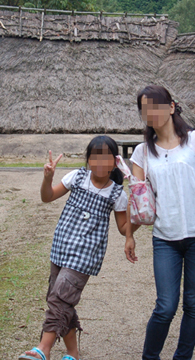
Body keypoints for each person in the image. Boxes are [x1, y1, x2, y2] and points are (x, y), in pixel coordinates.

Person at [125, 85, 195, 360]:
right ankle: (150, 357)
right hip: (165, 238)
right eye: (145, 109)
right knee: (165, 306)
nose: (151, 113)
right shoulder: (141, 153)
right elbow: (138, 200)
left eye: (156, 106)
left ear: (171, 106)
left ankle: (182, 357)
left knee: (193, 304)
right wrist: (129, 235)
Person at [19, 136, 130, 360]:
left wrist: (139, 215)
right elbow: (47, 197)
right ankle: (72, 353)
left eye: (105, 156)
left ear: (115, 162)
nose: (99, 161)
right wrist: (47, 178)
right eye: (94, 155)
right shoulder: (77, 177)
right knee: (60, 300)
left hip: (85, 258)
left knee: (59, 298)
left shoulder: (117, 194)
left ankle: (43, 348)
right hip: (60, 249)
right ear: (88, 159)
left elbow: (124, 227)